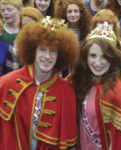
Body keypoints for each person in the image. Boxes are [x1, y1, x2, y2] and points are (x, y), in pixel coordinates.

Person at [0, 16, 78, 150]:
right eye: (42, 49)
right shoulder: (6, 83)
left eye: (53, 51)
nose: (47, 56)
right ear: (32, 51)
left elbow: (68, 143)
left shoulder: (67, 90)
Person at [69, 25, 121, 150]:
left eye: (104, 56)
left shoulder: (117, 91)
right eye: (93, 55)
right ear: (85, 57)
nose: (97, 63)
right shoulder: (77, 80)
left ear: (112, 59)